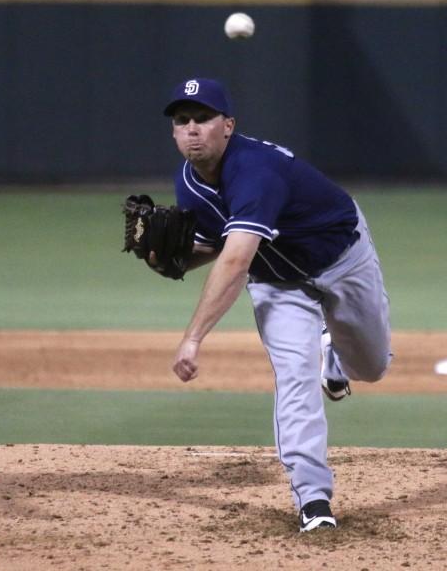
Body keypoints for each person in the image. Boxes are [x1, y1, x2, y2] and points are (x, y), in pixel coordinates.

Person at [161, 77, 392, 532]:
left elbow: (235, 260)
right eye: (181, 120)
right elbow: (214, 244)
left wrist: (192, 339)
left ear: (227, 126)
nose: (191, 129)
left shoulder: (255, 170)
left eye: (203, 119)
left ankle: (336, 354)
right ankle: (313, 499)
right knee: (293, 377)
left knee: (372, 367)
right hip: (278, 282)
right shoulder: (187, 183)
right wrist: (171, 262)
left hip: (342, 257)